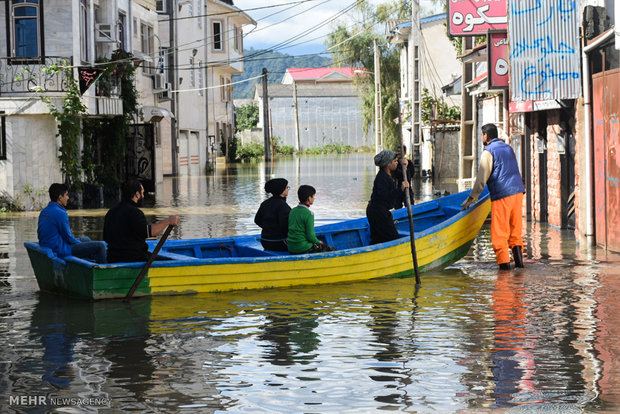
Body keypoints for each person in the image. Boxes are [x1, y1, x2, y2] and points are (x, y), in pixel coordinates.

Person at [461, 123, 525, 270]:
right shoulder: (508, 148)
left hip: (502, 194)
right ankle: (520, 267)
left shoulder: (488, 151)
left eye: (481, 135)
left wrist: (471, 198)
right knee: (515, 231)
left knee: (499, 233)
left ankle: (504, 270)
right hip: (518, 192)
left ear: (485, 136)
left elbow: (481, 179)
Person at [103, 179, 180, 263]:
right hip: (134, 258)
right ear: (137, 194)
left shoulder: (111, 212)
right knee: (171, 262)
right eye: (142, 193)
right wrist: (168, 221)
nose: (143, 196)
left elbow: (106, 238)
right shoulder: (135, 213)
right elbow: (148, 232)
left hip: (112, 258)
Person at [37, 183, 107, 263]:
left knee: (86, 239)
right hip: (60, 250)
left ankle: (90, 260)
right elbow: (69, 237)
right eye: (66, 195)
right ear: (60, 197)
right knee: (100, 246)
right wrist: (80, 244)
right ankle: (102, 270)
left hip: (50, 246)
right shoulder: (60, 213)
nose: (68, 198)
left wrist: (82, 244)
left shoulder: (44, 211)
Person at [366, 150, 410, 245]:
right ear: (387, 164)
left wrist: (405, 166)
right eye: (394, 161)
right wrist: (400, 189)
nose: (396, 163)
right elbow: (385, 197)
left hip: (381, 210)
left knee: (379, 238)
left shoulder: (390, 173)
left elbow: (405, 175)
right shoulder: (381, 178)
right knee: (392, 237)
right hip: (377, 212)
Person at [287, 185, 335, 254]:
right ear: (309, 198)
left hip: (291, 248)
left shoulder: (293, 211)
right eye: (313, 196)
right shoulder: (309, 214)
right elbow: (311, 236)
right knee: (332, 250)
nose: (314, 198)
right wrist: (319, 242)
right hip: (303, 248)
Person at [254, 178, 291, 251]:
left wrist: (268, 228)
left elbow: (257, 220)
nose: (288, 189)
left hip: (264, 241)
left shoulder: (265, 203)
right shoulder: (283, 206)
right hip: (279, 242)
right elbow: (285, 226)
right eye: (287, 187)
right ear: (281, 190)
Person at [392, 145, 415, 209]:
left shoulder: (409, 163)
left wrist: (406, 167)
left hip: (407, 188)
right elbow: (395, 174)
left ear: (404, 152)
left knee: (410, 206)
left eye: (400, 151)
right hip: (398, 188)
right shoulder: (395, 164)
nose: (398, 153)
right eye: (397, 151)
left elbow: (411, 175)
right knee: (397, 207)